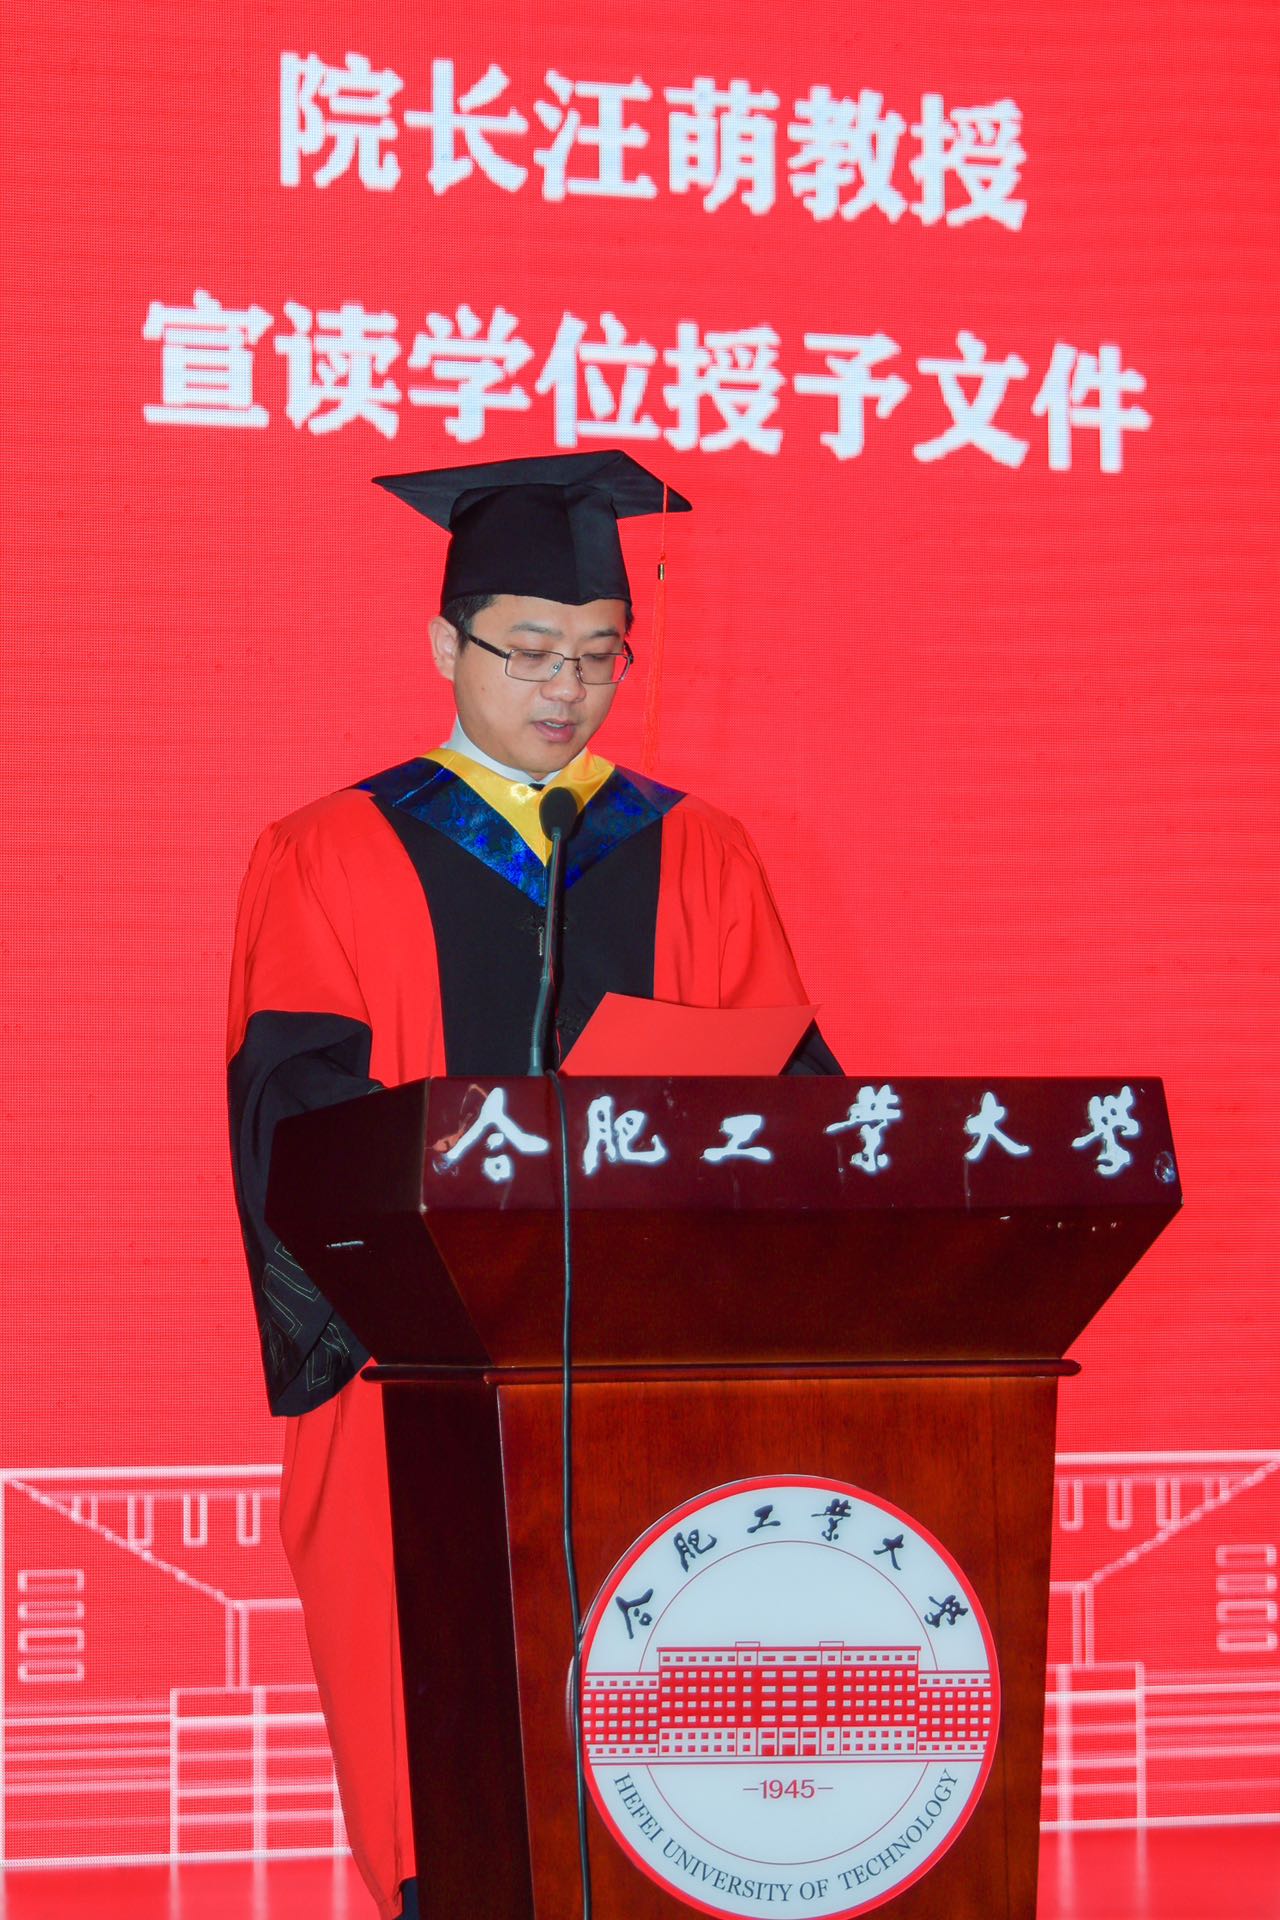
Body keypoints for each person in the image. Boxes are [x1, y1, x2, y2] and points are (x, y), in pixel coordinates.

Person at [226, 450, 839, 1919]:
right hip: (421, 1375)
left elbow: (793, 1106)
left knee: (661, 1789)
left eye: (599, 654)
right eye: (529, 650)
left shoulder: (697, 850)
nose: (566, 688)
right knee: (451, 1766)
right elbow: (294, 1119)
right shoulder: (330, 852)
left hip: (651, 1379)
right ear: (445, 645)